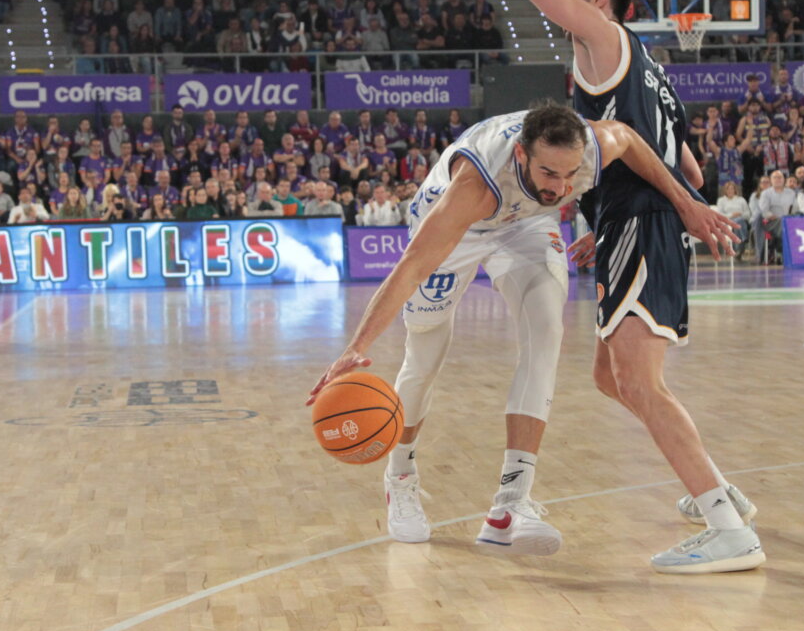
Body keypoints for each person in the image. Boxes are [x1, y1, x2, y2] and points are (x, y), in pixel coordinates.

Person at [440, 0, 761, 573]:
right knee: (611, 379)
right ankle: (719, 488)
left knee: (640, 382)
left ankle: (726, 523)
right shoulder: (652, 71)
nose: (559, 2)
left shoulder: (603, 43)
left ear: (599, 4)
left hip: (642, 225)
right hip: (635, 225)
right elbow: (694, 168)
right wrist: (603, 220)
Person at [309, 101, 730, 559]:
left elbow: (630, 139)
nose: (561, 187)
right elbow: (410, 269)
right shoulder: (474, 186)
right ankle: (401, 475)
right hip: (458, 232)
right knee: (426, 357)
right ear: (521, 156)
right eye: (549, 174)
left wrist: (687, 205)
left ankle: (511, 504)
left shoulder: (591, 148)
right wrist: (356, 346)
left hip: (525, 224)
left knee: (547, 330)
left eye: (569, 175)